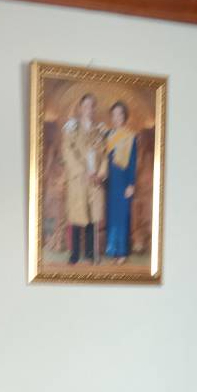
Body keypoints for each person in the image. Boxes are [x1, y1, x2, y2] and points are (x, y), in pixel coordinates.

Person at [60, 94, 106, 265]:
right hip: (79, 178)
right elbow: (67, 150)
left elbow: (105, 154)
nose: (89, 109)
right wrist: (82, 170)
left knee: (92, 216)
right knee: (77, 215)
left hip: (94, 178)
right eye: (85, 105)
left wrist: (100, 173)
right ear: (80, 108)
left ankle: (90, 253)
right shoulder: (72, 127)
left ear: (94, 109)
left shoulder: (99, 130)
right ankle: (75, 253)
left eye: (92, 106)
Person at [102, 101, 138, 262]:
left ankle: (122, 251)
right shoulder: (108, 135)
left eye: (120, 114)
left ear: (124, 117)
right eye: (114, 114)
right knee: (112, 216)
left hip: (123, 182)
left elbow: (132, 162)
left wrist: (131, 184)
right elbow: (103, 157)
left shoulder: (130, 137)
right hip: (110, 182)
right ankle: (112, 250)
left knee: (122, 217)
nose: (117, 117)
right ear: (111, 117)